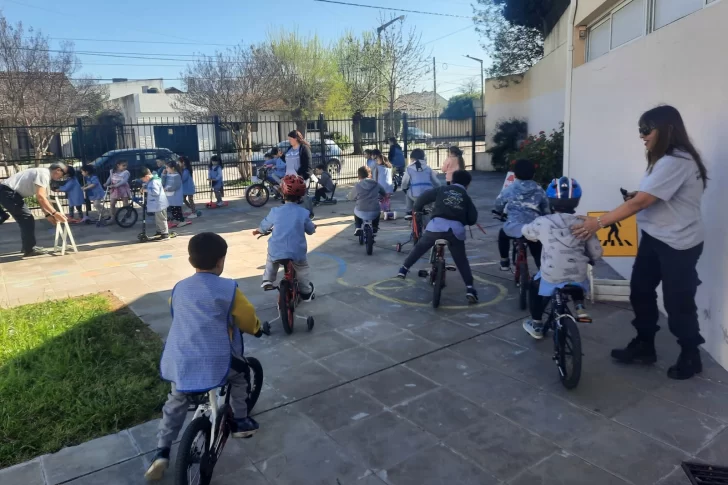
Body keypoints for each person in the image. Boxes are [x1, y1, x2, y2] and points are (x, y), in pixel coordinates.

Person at [573, 105, 708, 380]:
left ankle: (691, 354)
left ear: (666, 129)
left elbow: (642, 203)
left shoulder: (676, 161)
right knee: (640, 291)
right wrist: (641, 194)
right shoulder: (667, 158)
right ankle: (645, 345)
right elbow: (650, 195)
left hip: (678, 244)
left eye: (646, 130)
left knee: (677, 302)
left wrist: (597, 223)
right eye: (640, 130)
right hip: (656, 237)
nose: (642, 136)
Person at [144, 232, 263, 481]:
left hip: (181, 358)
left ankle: (162, 451)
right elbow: (246, 316)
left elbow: (175, 310)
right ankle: (240, 422)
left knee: (176, 401)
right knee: (240, 376)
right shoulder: (228, 288)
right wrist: (256, 329)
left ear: (190, 261)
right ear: (221, 261)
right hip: (215, 358)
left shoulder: (179, 288)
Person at [521, 177, 603, 339]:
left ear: (550, 200)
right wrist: (590, 257)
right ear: (577, 201)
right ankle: (579, 306)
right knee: (578, 276)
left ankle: (536, 324)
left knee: (535, 285)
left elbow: (527, 232)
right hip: (577, 274)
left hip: (552, 273)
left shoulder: (542, 222)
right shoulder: (585, 224)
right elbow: (596, 252)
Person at [397, 170, 479, 303]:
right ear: (468, 185)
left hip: (435, 227)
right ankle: (470, 288)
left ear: (451, 180)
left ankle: (404, 269)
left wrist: (417, 209)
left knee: (420, 247)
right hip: (455, 232)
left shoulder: (442, 189)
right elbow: (473, 218)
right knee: (461, 260)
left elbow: (422, 198)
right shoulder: (465, 196)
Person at [254, 174, 315, 299]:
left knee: (271, 260)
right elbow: (310, 229)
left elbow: (265, 225)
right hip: (296, 251)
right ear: (301, 196)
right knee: (302, 269)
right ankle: (306, 291)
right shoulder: (304, 213)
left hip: (277, 249)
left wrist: (259, 230)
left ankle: (267, 280)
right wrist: (313, 228)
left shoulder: (275, 211)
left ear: (282, 193)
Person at [0, 162, 68, 256]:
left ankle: (28, 247)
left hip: (8, 193)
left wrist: (47, 214)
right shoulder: (44, 174)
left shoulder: (43, 174)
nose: (62, 177)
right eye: (63, 174)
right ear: (58, 170)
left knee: (25, 219)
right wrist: (55, 213)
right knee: (27, 218)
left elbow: (42, 198)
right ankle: (29, 249)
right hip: (8, 193)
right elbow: (41, 197)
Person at [494, 159, 549, 271]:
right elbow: (546, 208)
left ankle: (504, 261)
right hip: (533, 227)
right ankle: (541, 271)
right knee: (537, 248)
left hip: (513, 226)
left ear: (515, 175)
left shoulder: (510, 189)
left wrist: (499, 212)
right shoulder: (539, 190)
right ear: (533, 174)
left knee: (502, 235)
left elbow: (498, 203)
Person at [348, 166, 385, 237]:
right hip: (374, 211)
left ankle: (358, 227)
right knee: (378, 210)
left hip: (361, 211)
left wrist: (350, 197)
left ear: (359, 176)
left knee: (355, 210)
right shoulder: (376, 184)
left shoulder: (357, 185)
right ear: (370, 174)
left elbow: (351, 197)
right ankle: (375, 227)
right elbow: (383, 193)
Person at [401, 148, 440, 213]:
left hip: (415, 195)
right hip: (428, 194)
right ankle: (429, 213)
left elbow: (404, 182)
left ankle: (409, 212)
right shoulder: (428, 168)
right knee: (429, 208)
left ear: (412, 159)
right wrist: (438, 189)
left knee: (407, 193)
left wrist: (404, 188)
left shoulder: (409, 168)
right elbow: (436, 182)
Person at [284, 130, 313, 216]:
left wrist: (300, 175)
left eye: (290, 139)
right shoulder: (289, 148)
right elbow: (285, 158)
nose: (289, 141)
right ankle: (291, 214)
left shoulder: (304, 148)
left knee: (304, 196)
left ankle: (309, 213)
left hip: (300, 177)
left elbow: (307, 165)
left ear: (296, 138)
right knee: (289, 196)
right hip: (289, 177)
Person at [139, 167, 169, 239]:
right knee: (158, 219)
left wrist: (145, 190)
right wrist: (145, 186)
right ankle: (159, 231)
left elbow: (155, 192)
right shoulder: (152, 180)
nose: (143, 181)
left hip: (159, 204)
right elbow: (149, 185)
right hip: (157, 204)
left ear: (146, 176)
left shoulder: (154, 181)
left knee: (161, 219)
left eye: (143, 179)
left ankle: (165, 233)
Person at [164, 160, 188, 228]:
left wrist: (167, 189)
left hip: (175, 196)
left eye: (167, 167)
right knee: (173, 209)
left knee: (177, 209)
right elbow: (164, 182)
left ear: (173, 168)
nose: (166, 169)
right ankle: (177, 220)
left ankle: (182, 221)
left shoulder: (177, 175)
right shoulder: (169, 174)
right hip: (170, 195)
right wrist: (163, 174)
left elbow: (175, 186)